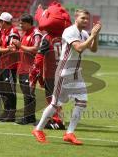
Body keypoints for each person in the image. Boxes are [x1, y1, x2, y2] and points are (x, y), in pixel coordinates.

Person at [32, 9, 102, 145]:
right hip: (64, 73)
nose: (86, 21)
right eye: (83, 18)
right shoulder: (70, 31)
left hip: (76, 74)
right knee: (55, 104)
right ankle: (38, 129)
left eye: (87, 19)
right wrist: (92, 35)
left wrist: (96, 35)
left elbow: (93, 49)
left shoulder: (84, 33)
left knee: (82, 102)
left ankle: (69, 133)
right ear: (76, 18)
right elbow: (79, 48)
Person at [12, 14, 42, 125]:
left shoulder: (36, 33)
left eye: (22, 23)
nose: (20, 25)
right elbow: (24, 49)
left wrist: (20, 46)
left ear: (29, 23)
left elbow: (36, 49)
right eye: (20, 23)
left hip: (30, 69)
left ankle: (28, 117)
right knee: (27, 93)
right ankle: (30, 117)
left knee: (29, 93)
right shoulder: (26, 34)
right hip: (23, 68)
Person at [0, 12, 20, 122]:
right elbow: (4, 45)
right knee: (4, 89)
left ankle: (11, 113)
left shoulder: (13, 32)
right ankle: (7, 110)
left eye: (0, 21)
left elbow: (12, 49)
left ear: (4, 22)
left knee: (10, 90)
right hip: (4, 64)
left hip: (10, 65)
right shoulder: (4, 31)